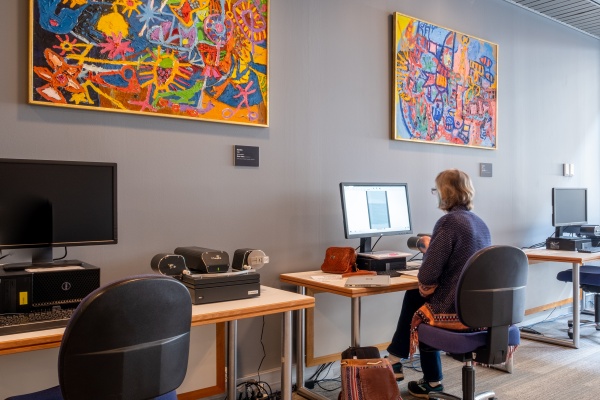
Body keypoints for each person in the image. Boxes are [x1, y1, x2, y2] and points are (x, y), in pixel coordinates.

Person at [386, 169, 491, 398]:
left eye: (436, 190)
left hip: (454, 313)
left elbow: (428, 275)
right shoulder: (480, 224)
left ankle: (395, 360)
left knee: (417, 296)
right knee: (420, 298)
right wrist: (433, 250)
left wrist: (428, 248)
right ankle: (431, 383)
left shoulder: (448, 222)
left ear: (445, 193)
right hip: (481, 313)